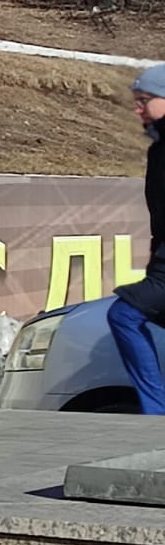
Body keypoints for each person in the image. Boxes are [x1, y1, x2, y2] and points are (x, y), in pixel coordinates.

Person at [110, 64, 165, 413]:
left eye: (145, 100)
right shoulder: (158, 150)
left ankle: (155, 413)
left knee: (124, 314)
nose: (137, 108)